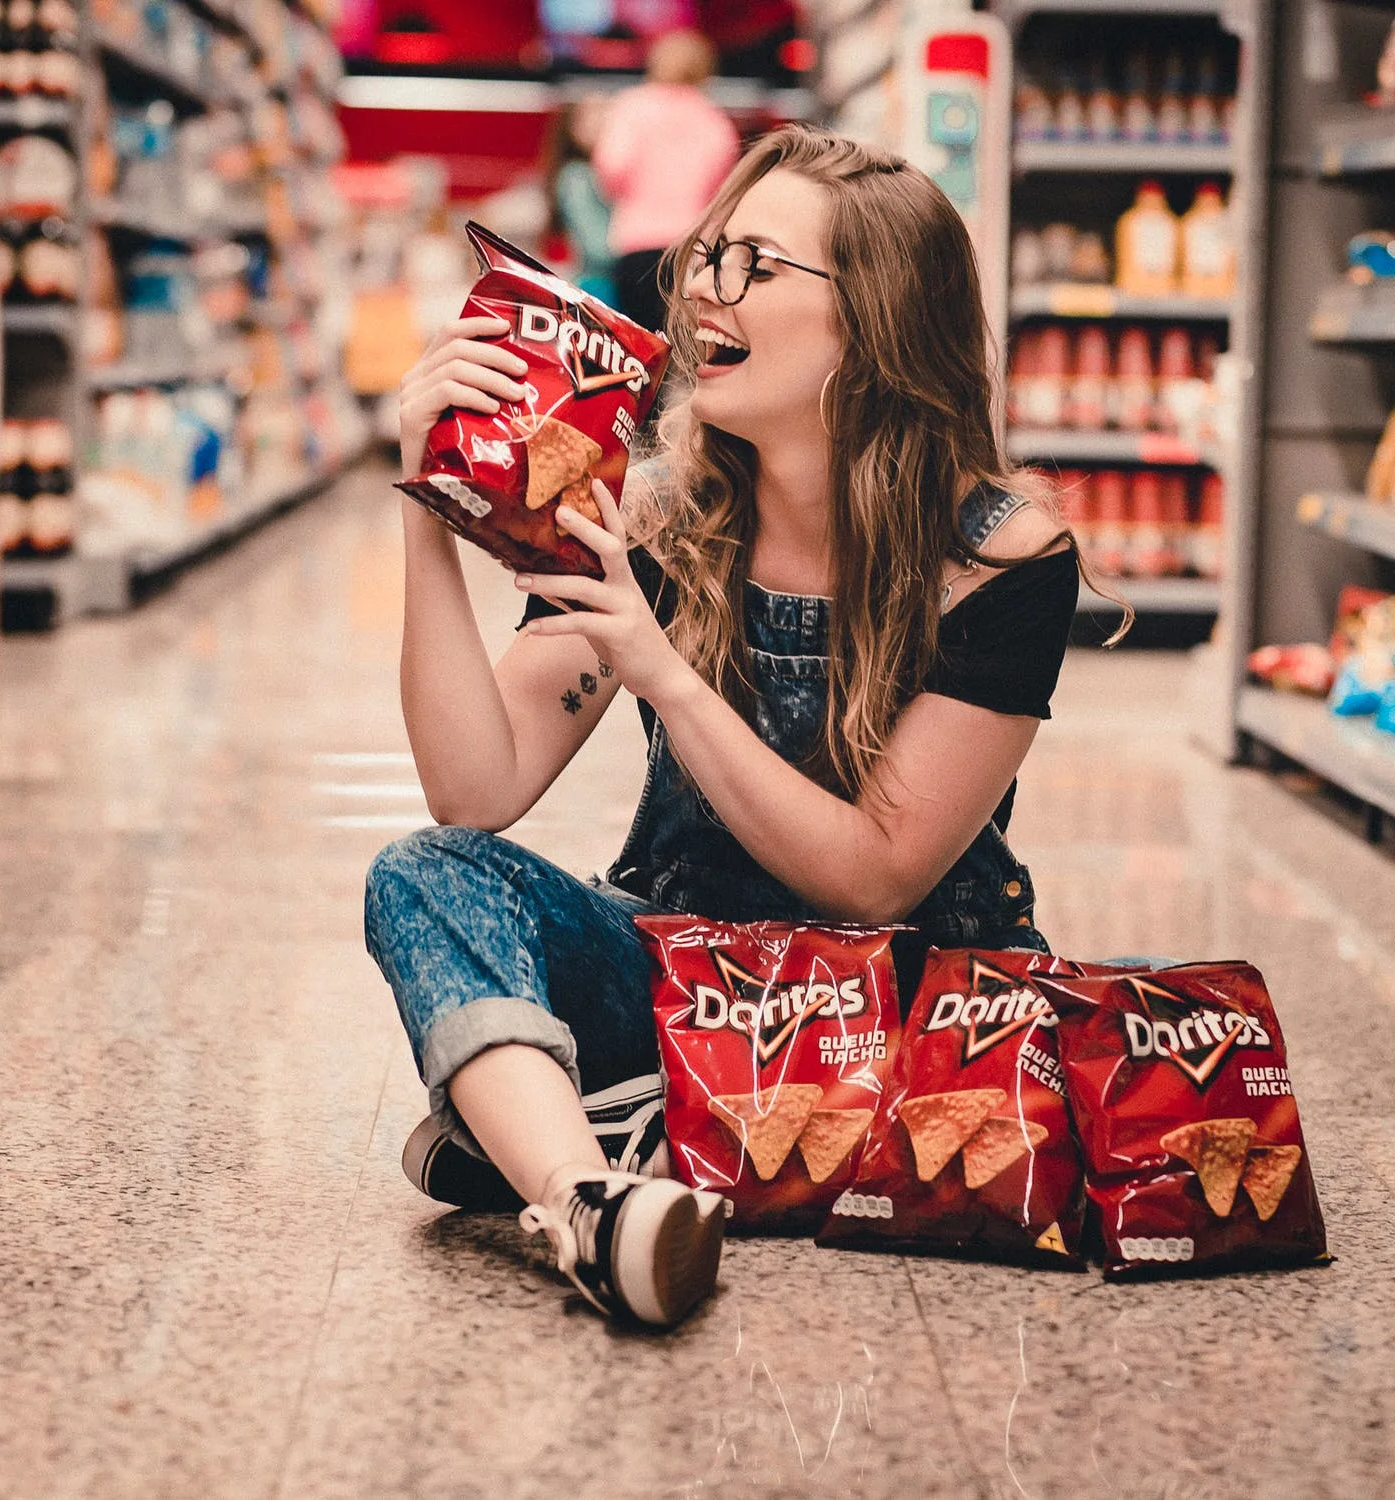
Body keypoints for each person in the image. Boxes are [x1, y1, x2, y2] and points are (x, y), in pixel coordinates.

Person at [375, 126, 1093, 1329]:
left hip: (904, 1005)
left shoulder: (1000, 555)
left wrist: (665, 674)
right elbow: (474, 789)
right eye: (712, 252)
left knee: (484, 1106)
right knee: (425, 875)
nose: (705, 285)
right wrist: (428, 504)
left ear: (873, 320)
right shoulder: (650, 512)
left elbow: (875, 878)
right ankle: (594, 1202)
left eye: (756, 264)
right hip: (685, 981)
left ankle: (606, 1126)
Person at [591, 28, 740, 336]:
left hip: (636, 243)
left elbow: (611, 169)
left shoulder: (632, 106)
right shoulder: (715, 121)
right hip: (690, 249)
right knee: (681, 342)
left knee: (637, 342)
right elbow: (723, 194)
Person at [545, 96, 618, 307]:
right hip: (598, 288)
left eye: (608, 110)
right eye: (593, 112)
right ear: (572, 128)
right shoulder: (576, 177)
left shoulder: (607, 174)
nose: (604, 119)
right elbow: (597, 247)